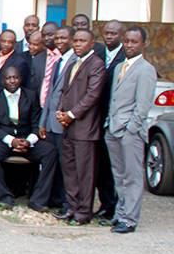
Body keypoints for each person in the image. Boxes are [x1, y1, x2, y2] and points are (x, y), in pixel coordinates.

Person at [0, 66, 58, 210]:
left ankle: (38, 200)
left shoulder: (31, 96)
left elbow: (36, 124)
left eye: (15, 78)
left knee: (50, 151)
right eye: (9, 78)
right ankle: (4, 197)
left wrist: (29, 141)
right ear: (3, 81)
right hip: (4, 139)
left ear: (20, 79)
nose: (12, 81)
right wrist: (11, 141)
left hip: (26, 139)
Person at [104, 27, 156, 233]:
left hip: (129, 132)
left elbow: (143, 105)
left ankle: (129, 219)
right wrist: (109, 123)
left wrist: (131, 129)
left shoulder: (146, 70)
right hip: (113, 129)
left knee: (132, 177)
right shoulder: (120, 67)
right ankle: (120, 213)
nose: (129, 45)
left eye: (134, 42)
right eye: (126, 41)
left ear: (143, 44)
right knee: (118, 175)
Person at [53, 29, 106, 225]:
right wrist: (61, 111)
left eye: (82, 41)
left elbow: (93, 95)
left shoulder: (96, 64)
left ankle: (84, 212)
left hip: (85, 128)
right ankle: (72, 208)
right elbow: (65, 92)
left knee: (85, 172)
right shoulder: (73, 64)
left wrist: (72, 114)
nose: (77, 44)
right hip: (68, 127)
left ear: (92, 44)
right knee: (70, 170)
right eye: (75, 41)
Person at [38, 26, 75, 211]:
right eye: (58, 38)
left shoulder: (75, 62)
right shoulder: (57, 61)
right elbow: (50, 93)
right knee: (54, 162)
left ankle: (67, 203)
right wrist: (43, 122)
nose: (59, 41)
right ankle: (55, 199)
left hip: (64, 121)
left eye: (63, 38)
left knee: (66, 164)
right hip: (51, 122)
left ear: (72, 40)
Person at [93, 20, 126, 221]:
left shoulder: (125, 59)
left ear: (121, 35)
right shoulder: (98, 54)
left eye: (113, 33)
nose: (109, 36)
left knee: (115, 169)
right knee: (101, 167)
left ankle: (117, 208)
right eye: (106, 33)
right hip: (96, 120)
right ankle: (105, 205)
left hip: (115, 122)